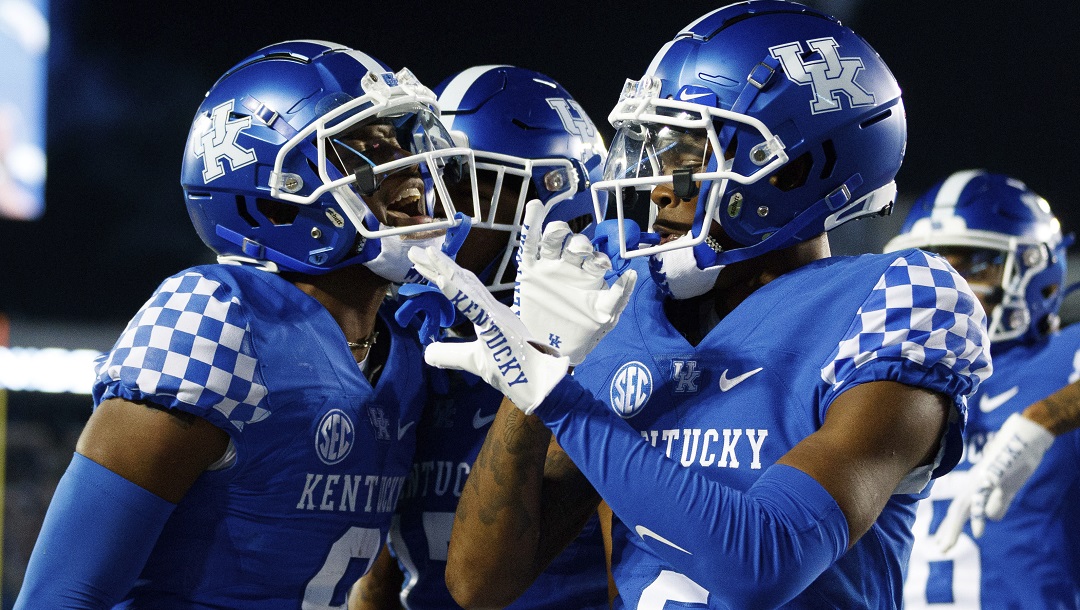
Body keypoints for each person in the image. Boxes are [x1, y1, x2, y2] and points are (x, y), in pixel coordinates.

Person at [406, 1, 994, 608]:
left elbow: (763, 563)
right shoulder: (629, 309)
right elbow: (481, 582)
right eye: (656, 155)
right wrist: (533, 364)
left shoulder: (897, 300)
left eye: (689, 156)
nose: (659, 186)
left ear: (796, 168)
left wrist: (564, 403)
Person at [13, 40, 476, 609]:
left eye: (396, 138)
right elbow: (61, 595)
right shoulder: (216, 318)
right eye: (361, 145)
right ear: (274, 199)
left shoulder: (405, 350)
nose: (403, 162)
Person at [349, 65, 612, 610]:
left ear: (552, 206)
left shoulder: (609, 359)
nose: (429, 210)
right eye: (425, 180)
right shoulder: (404, 343)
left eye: (459, 184)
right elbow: (374, 574)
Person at [885, 169, 1080, 609]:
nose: (948, 289)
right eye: (931, 265)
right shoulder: (883, 383)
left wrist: (1048, 417)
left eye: (974, 262)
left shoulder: (1064, 360)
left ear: (1039, 273)